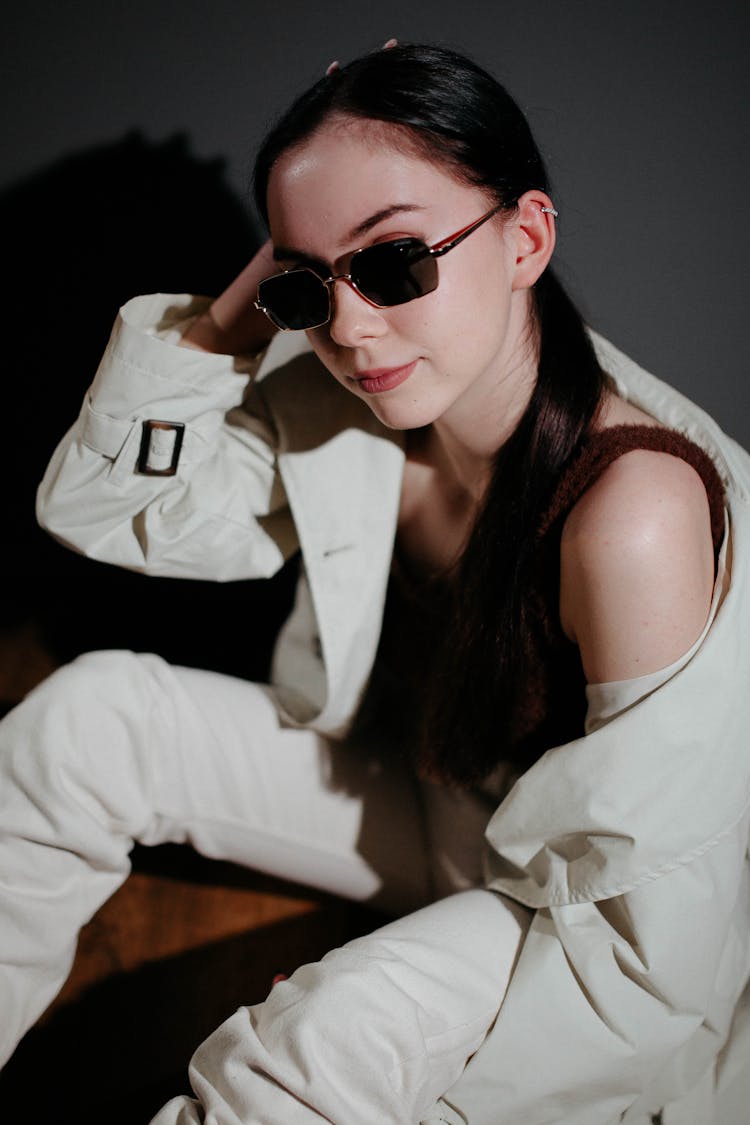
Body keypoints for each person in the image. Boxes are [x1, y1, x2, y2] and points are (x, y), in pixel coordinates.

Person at [1, 40, 748, 1124]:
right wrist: (228, 321)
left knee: (313, 1042)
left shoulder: (634, 510)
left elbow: (650, 955)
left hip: (568, 918)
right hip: (430, 810)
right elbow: (96, 510)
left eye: (396, 261)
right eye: (308, 283)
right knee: (78, 723)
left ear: (528, 238)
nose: (351, 327)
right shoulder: (354, 404)